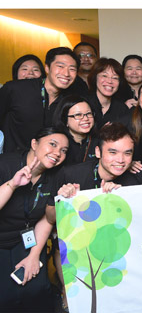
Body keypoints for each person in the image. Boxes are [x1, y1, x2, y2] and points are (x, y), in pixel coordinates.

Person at [0, 127, 69, 312]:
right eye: (52, 145)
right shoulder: (5, 164)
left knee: (38, 290)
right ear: (34, 143)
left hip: (27, 240)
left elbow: (47, 220)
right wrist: (12, 185)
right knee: (6, 295)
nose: (58, 153)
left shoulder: (55, 176)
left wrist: (33, 256)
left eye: (63, 150)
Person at [0, 47, 79, 153]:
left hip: (49, 162)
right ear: (47, 68)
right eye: (60, 66)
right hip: (12, 162)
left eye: (72, 69)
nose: (66, 73)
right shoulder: (15, 89)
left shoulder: (70, 100)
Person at [56, 122, 136, 197]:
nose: (120, 160)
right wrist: (66, 200)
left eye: (127, 153)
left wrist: (121, 196)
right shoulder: (70, 175)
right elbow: (50, 211)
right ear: (98, 152)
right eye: (113, 153)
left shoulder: (136, 182)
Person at [52, 94, 98, 165]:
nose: (86, 118)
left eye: (89, 114)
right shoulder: (57, 143)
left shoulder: (99, 141)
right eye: (78, 115)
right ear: (65, 120)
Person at [87, 58, 130, 129]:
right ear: (95, 78)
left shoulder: (122, 109)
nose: (110, 81)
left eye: (115, 78)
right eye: (104, 76)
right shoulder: (83, 103)